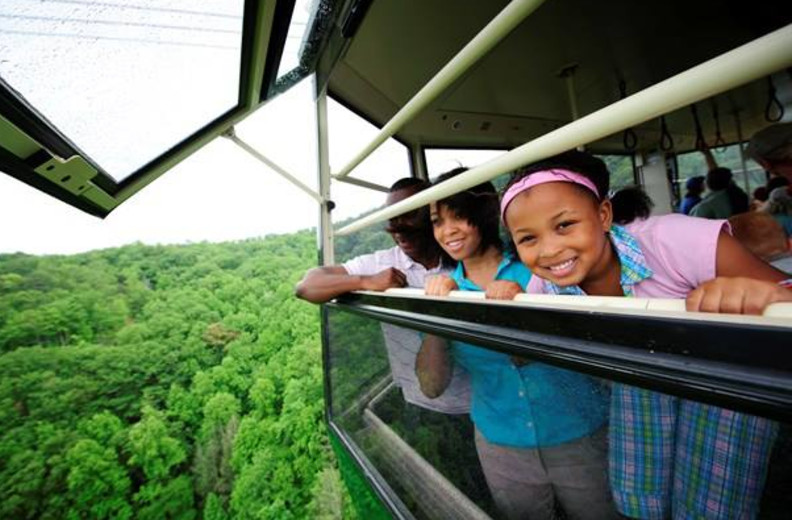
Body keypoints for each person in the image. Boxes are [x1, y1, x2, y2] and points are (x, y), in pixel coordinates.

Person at [499, 150, 792, 519]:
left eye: (564, 225)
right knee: (637, 498)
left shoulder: (674, 239)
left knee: (711, 509)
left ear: (603, 215)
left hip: (727, 380)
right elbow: (525, 342)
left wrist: (766, 300)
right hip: (643, 378)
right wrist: (512, 301)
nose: (550, 250)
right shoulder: (544, 282)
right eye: (528, 239)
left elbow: (784, 294)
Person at [416, 169, 616, 520]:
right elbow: (431, 386)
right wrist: (437, 317)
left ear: (484, 214)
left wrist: (524, 310)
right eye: (437, 221)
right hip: (501, 446)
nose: (448, 231)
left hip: (579, 433)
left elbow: (588, 344)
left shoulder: (539, 266)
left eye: (459, 216)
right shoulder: (445, 289)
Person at [296, 177, 471, 414]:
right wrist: (366, 281)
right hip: (415, 400)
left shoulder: (462, 255)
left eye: (410, 214)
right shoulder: (382, 262)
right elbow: (307, 287)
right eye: (393, 218)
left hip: (475, 398)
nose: (399, 228)